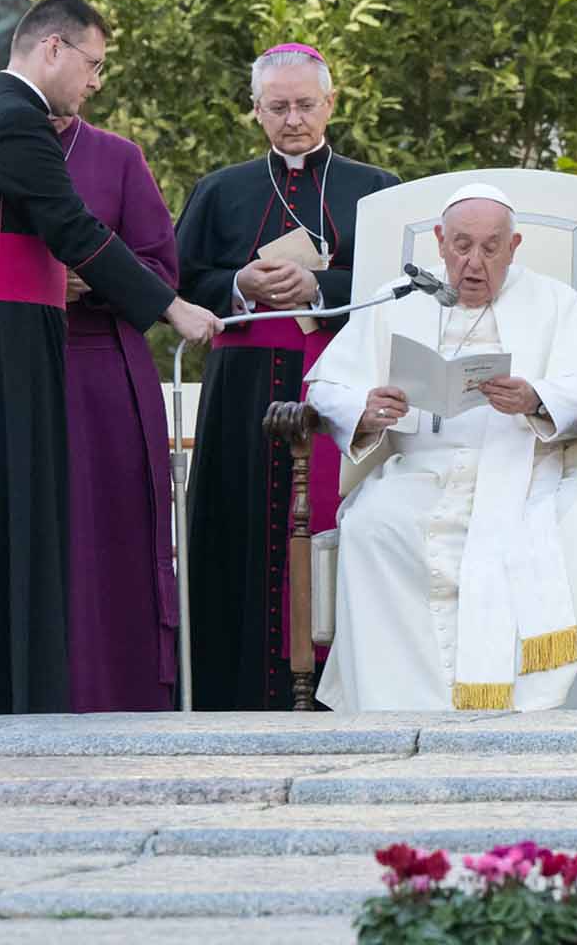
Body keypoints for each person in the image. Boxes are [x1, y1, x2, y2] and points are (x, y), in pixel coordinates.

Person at [0, 0, 223, 715]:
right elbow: (74, 229)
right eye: (92, 65)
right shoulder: (15, 120)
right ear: (52, 50)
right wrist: (171, 306)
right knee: (4, 516)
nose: (95, 82)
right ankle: (6, 691)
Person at [308, 185, 577, 712]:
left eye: (490, 248)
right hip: (420, 473)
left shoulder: (554, 302)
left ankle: (507, 711)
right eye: (461, 246)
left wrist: (538, 397)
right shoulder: (398, 301)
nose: (473, 263)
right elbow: (325, 388)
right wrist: (365, 408)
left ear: (514, 246)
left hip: (529, 475)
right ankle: (392, 708)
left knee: (572, 524)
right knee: (371, 526)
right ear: (438, 241)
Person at [0, 107, 181, 713]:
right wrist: (27, 277)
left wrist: (87, 278)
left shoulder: (118, 158)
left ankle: (107, 696)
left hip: (95, 376)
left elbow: (162, 269)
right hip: (0, 371)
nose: (89, 82)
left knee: (95, 548)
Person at [174, 44, 397, 709]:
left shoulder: (377, 189)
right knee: (241, 534)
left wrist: (321, 283)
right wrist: (240, 283)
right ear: (255, 112)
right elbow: (178, 282)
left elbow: (402, 285)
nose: (293, 119)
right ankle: (238, 695)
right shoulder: (219, 191)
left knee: (338, 528)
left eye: (305, 104)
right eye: (278, 107)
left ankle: (336, 692)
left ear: (331, 104)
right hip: (243, 387)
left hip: (337, 381)